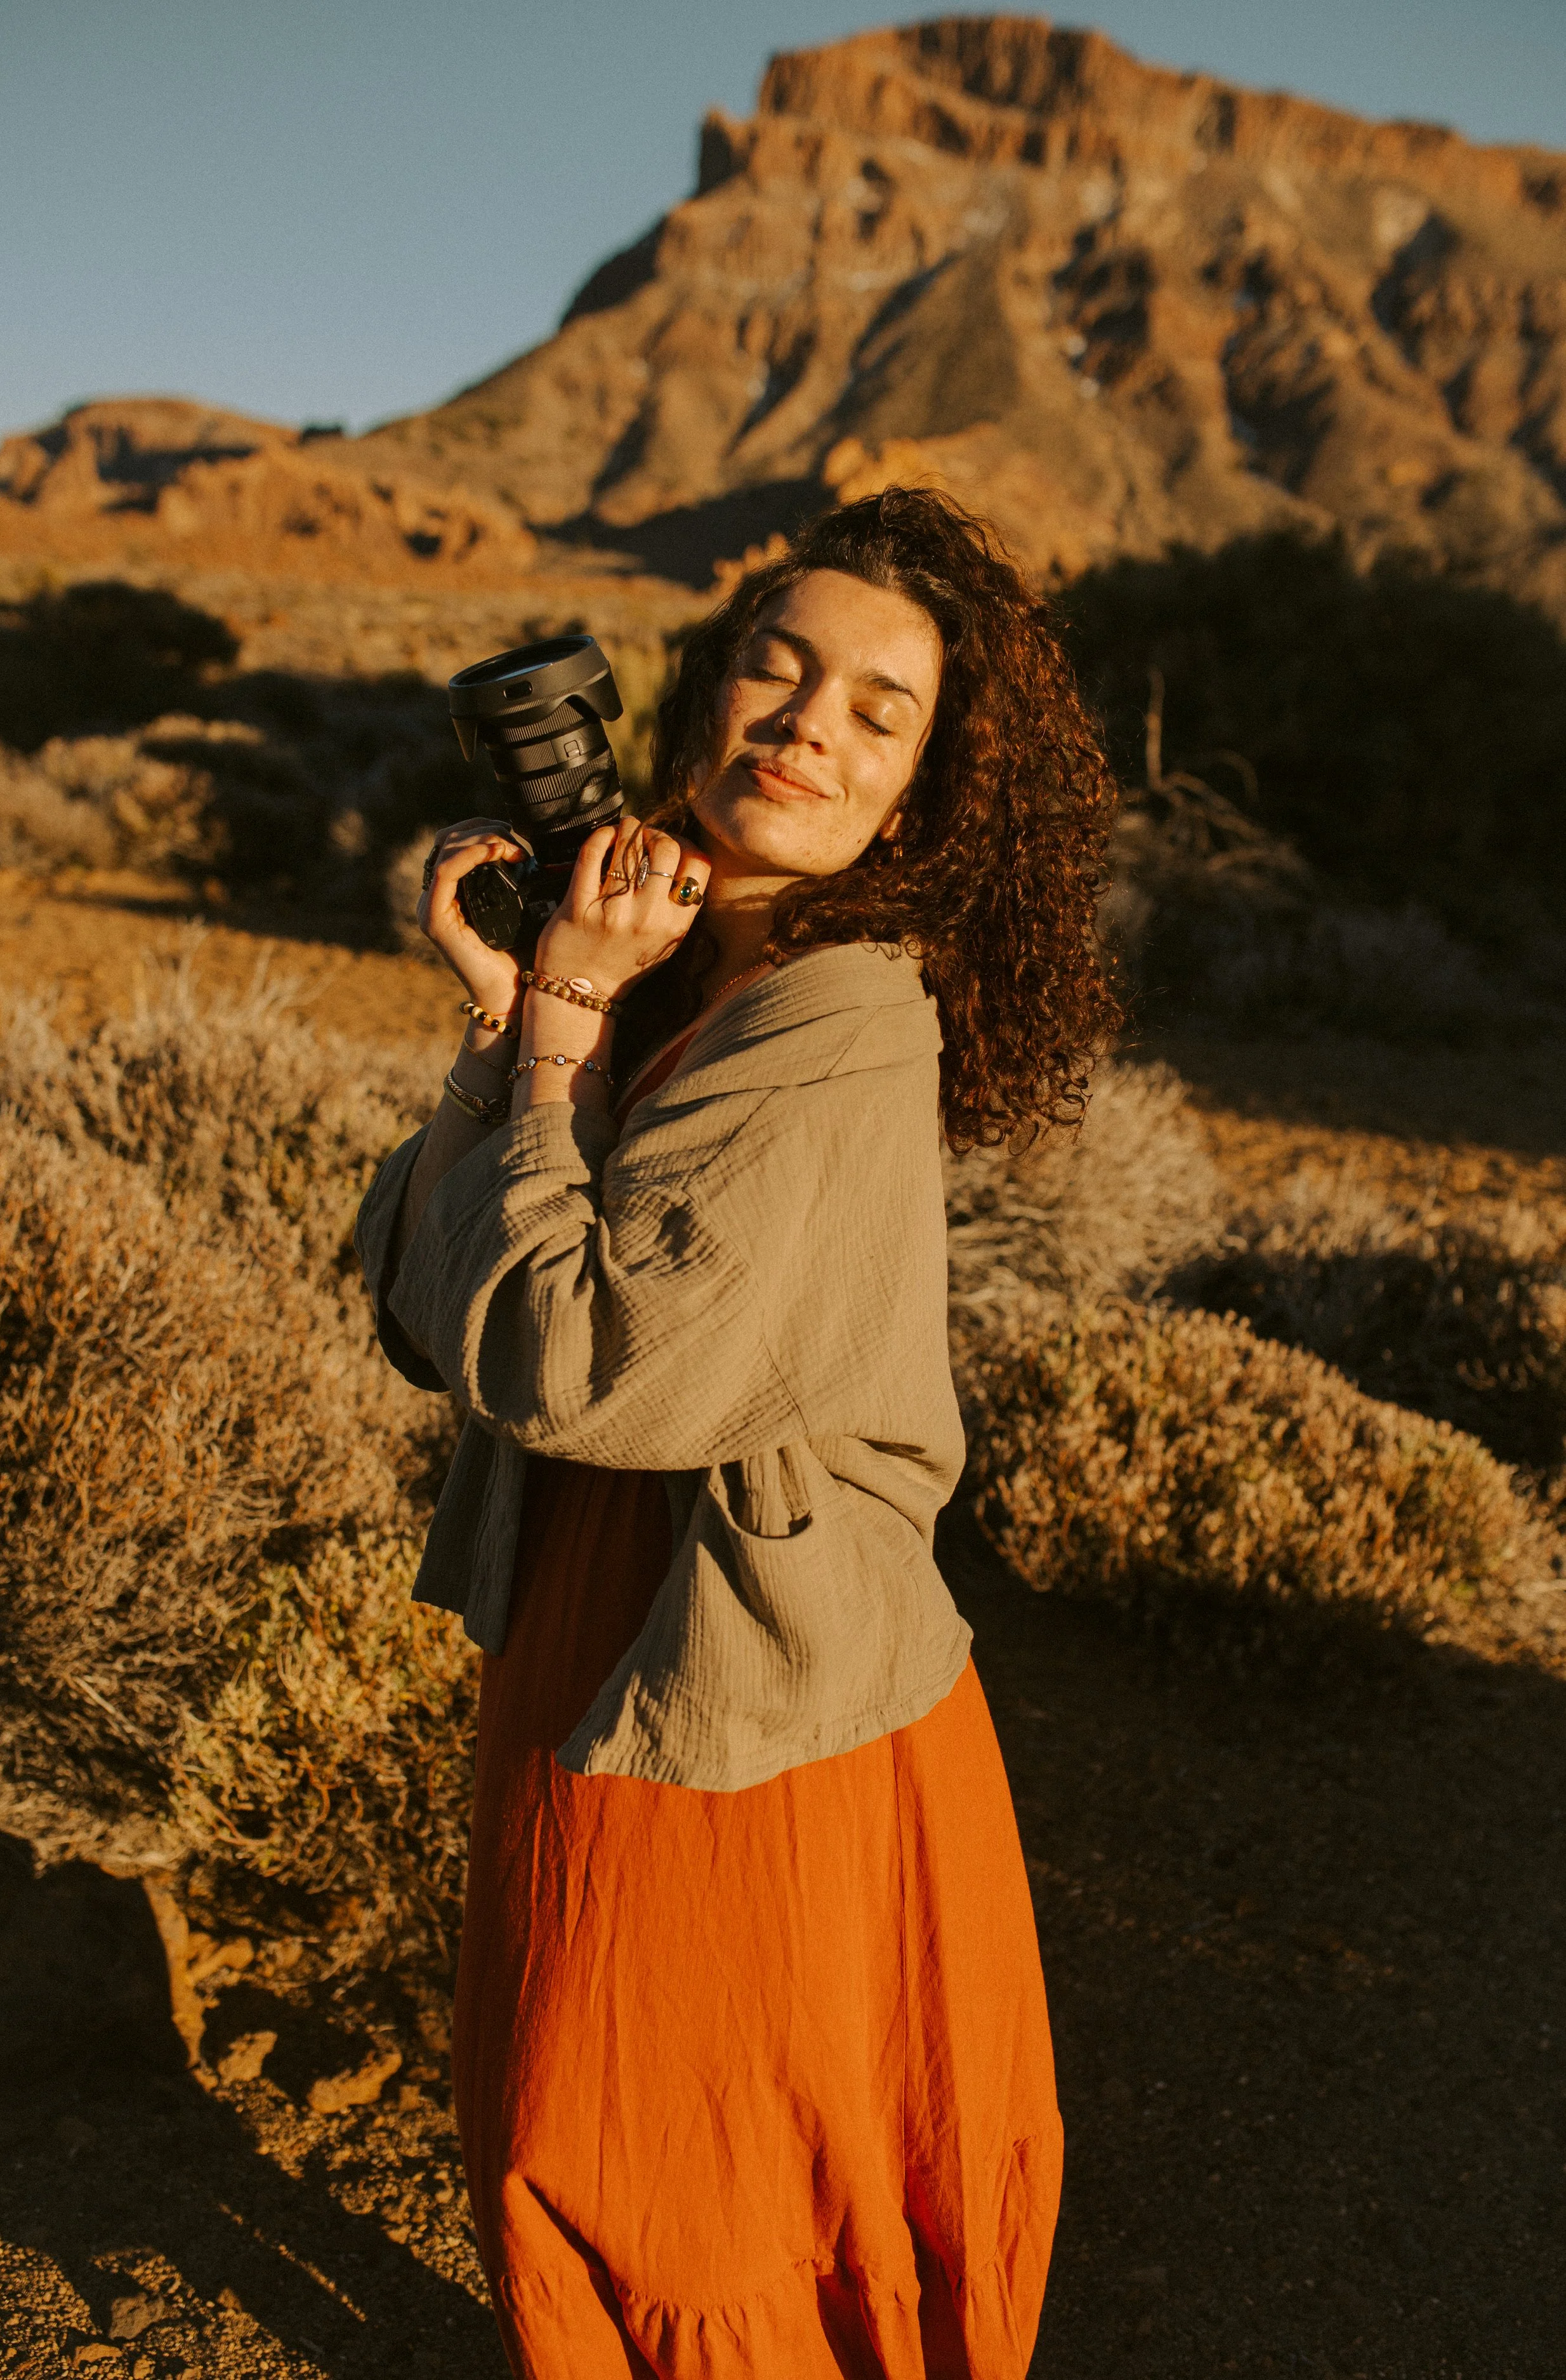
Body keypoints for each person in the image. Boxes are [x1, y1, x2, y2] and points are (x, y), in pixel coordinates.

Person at [355, 488, 1120, 2377]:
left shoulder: (841, 1021)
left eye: (879, 711)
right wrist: (515, 1017)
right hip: (601, 1612)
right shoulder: (688, 966)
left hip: (734, 1675)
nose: (807, 724)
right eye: (777, 667)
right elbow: (405, 1298)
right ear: (695, 696)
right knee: (577, 2128)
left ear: (921, 799)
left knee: (644, 2163)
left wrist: (557, 1026)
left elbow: (570, 1359)